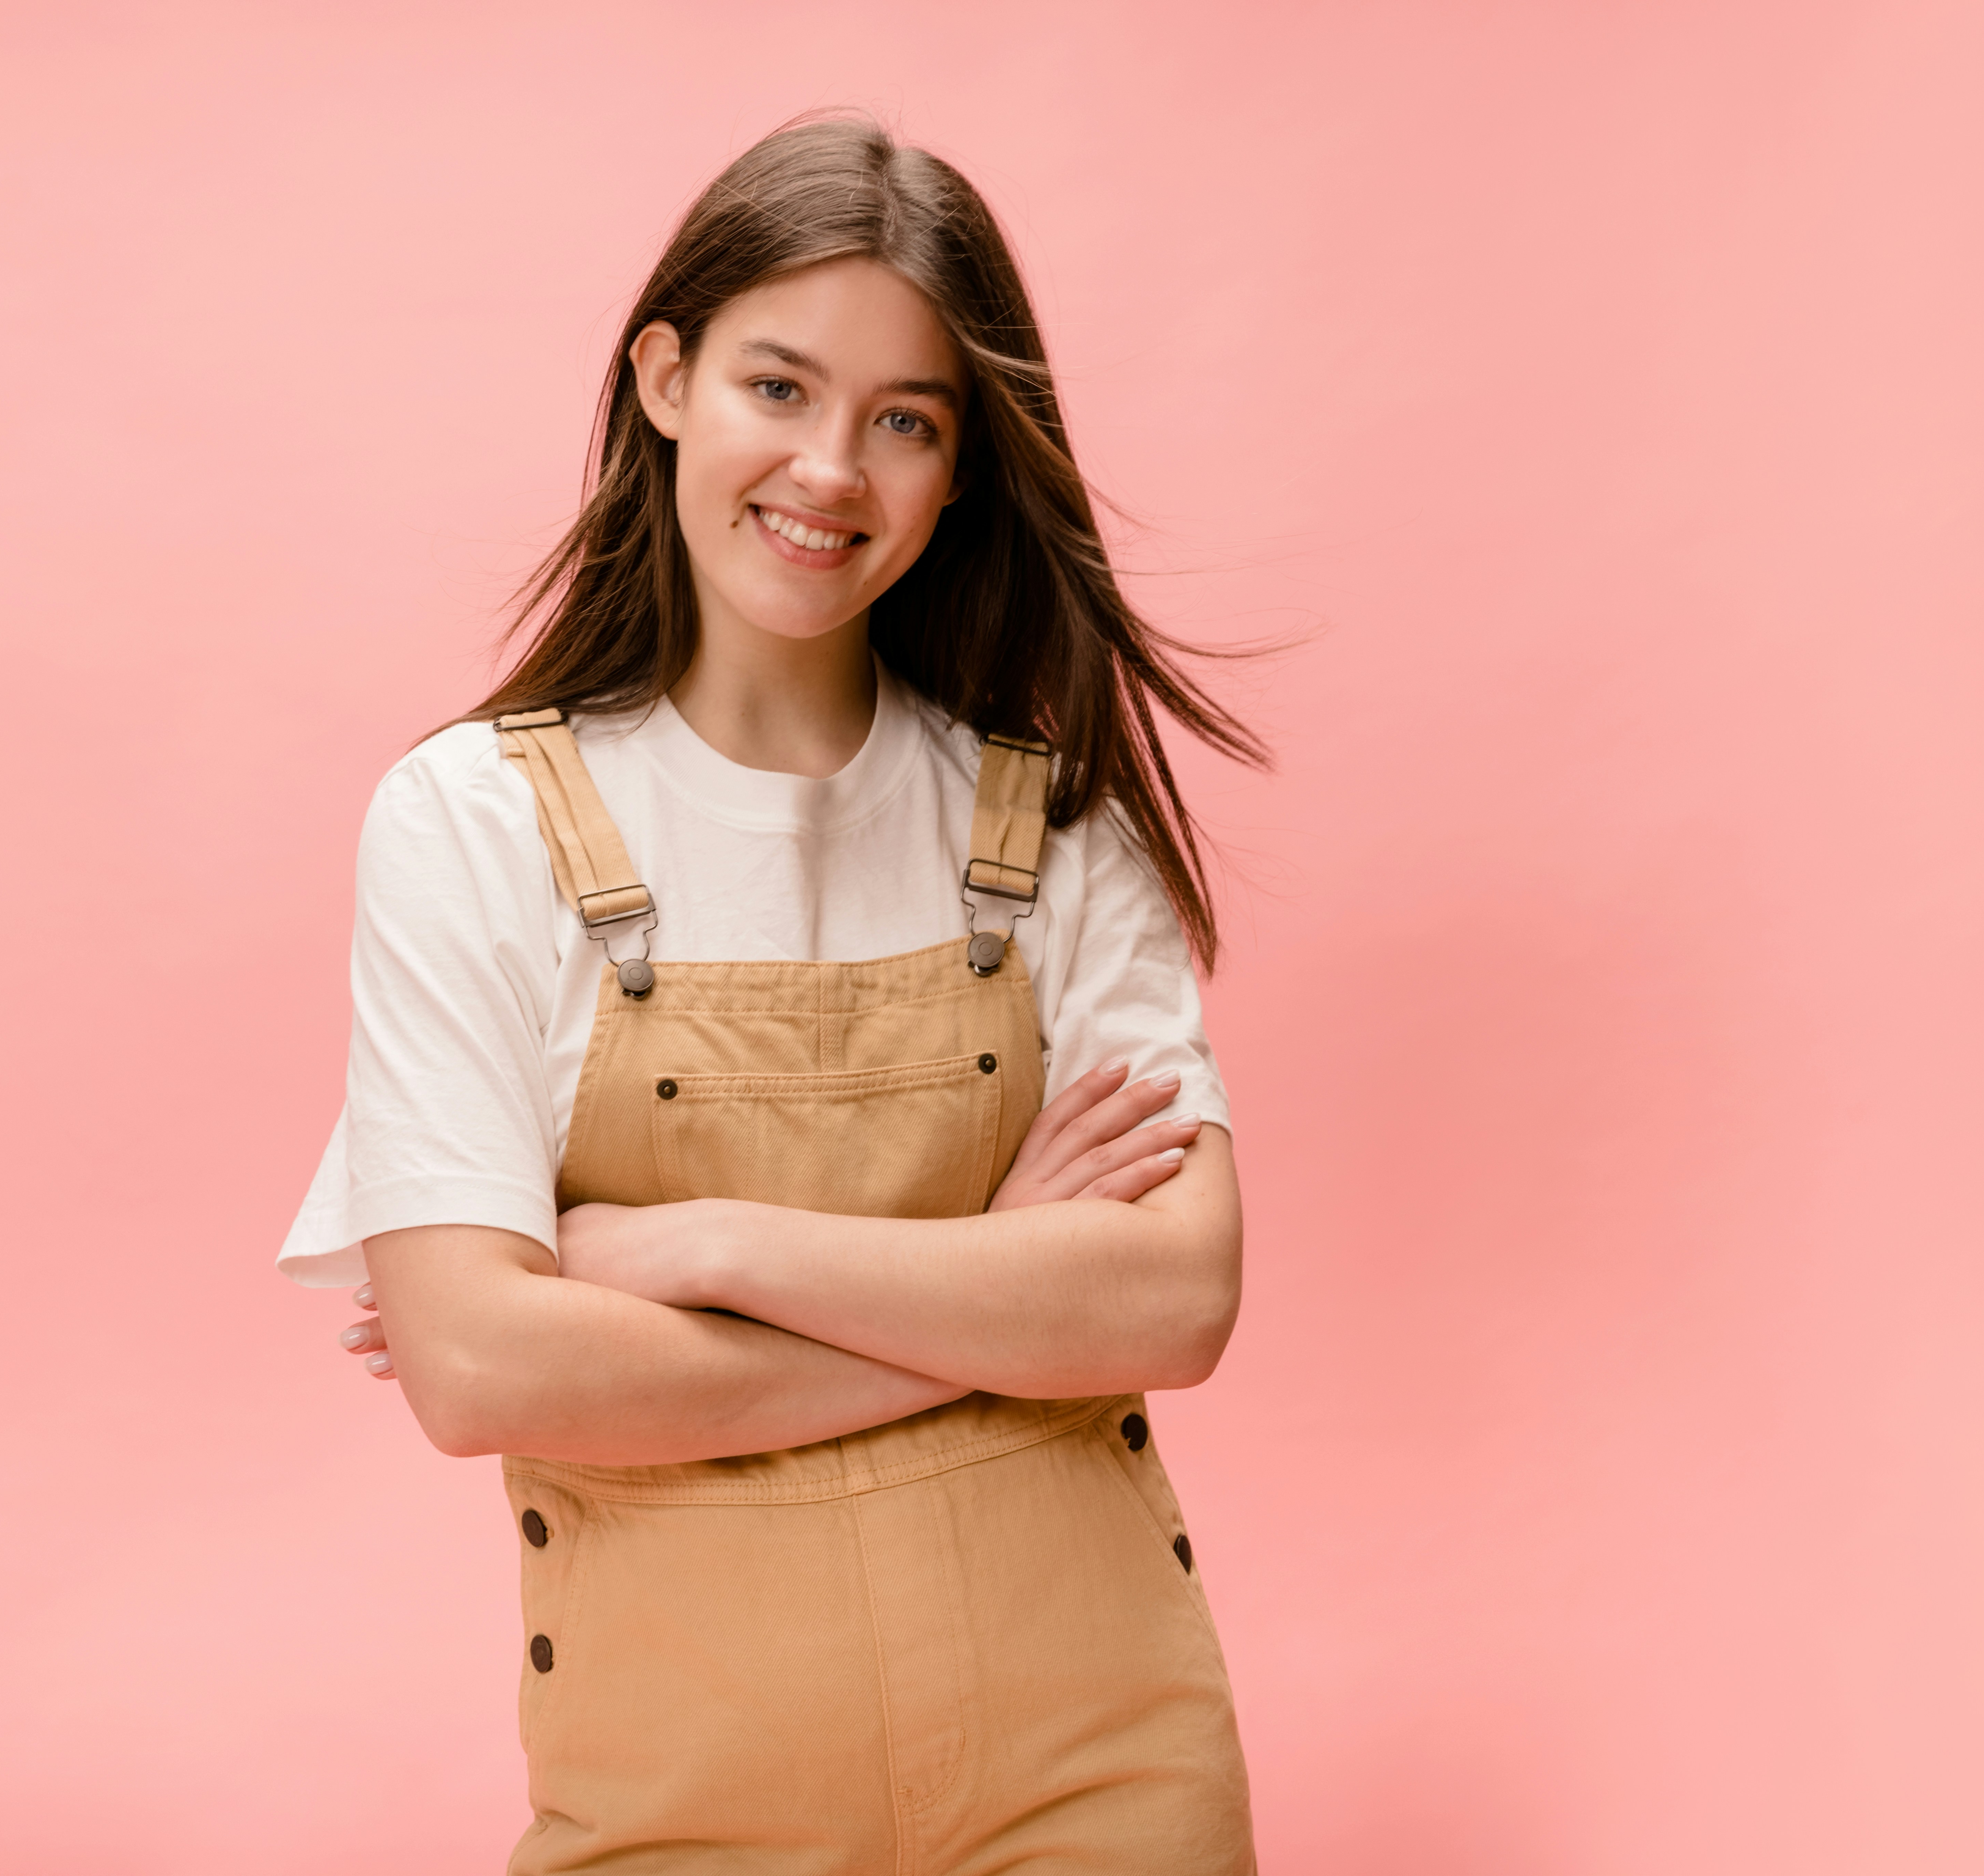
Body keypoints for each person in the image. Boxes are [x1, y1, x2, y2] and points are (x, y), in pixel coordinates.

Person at [277, 115, 1264, 1873]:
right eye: (778, 387)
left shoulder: (1056, 820)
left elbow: (1174, 1300)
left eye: (905, 420)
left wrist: (695, 1248)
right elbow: (479, 1365)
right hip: (679, 1808)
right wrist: (993, 1298)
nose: (830, 468)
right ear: (664, 379)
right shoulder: (467, 824)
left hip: (1104, 1782)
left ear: (957, 472)